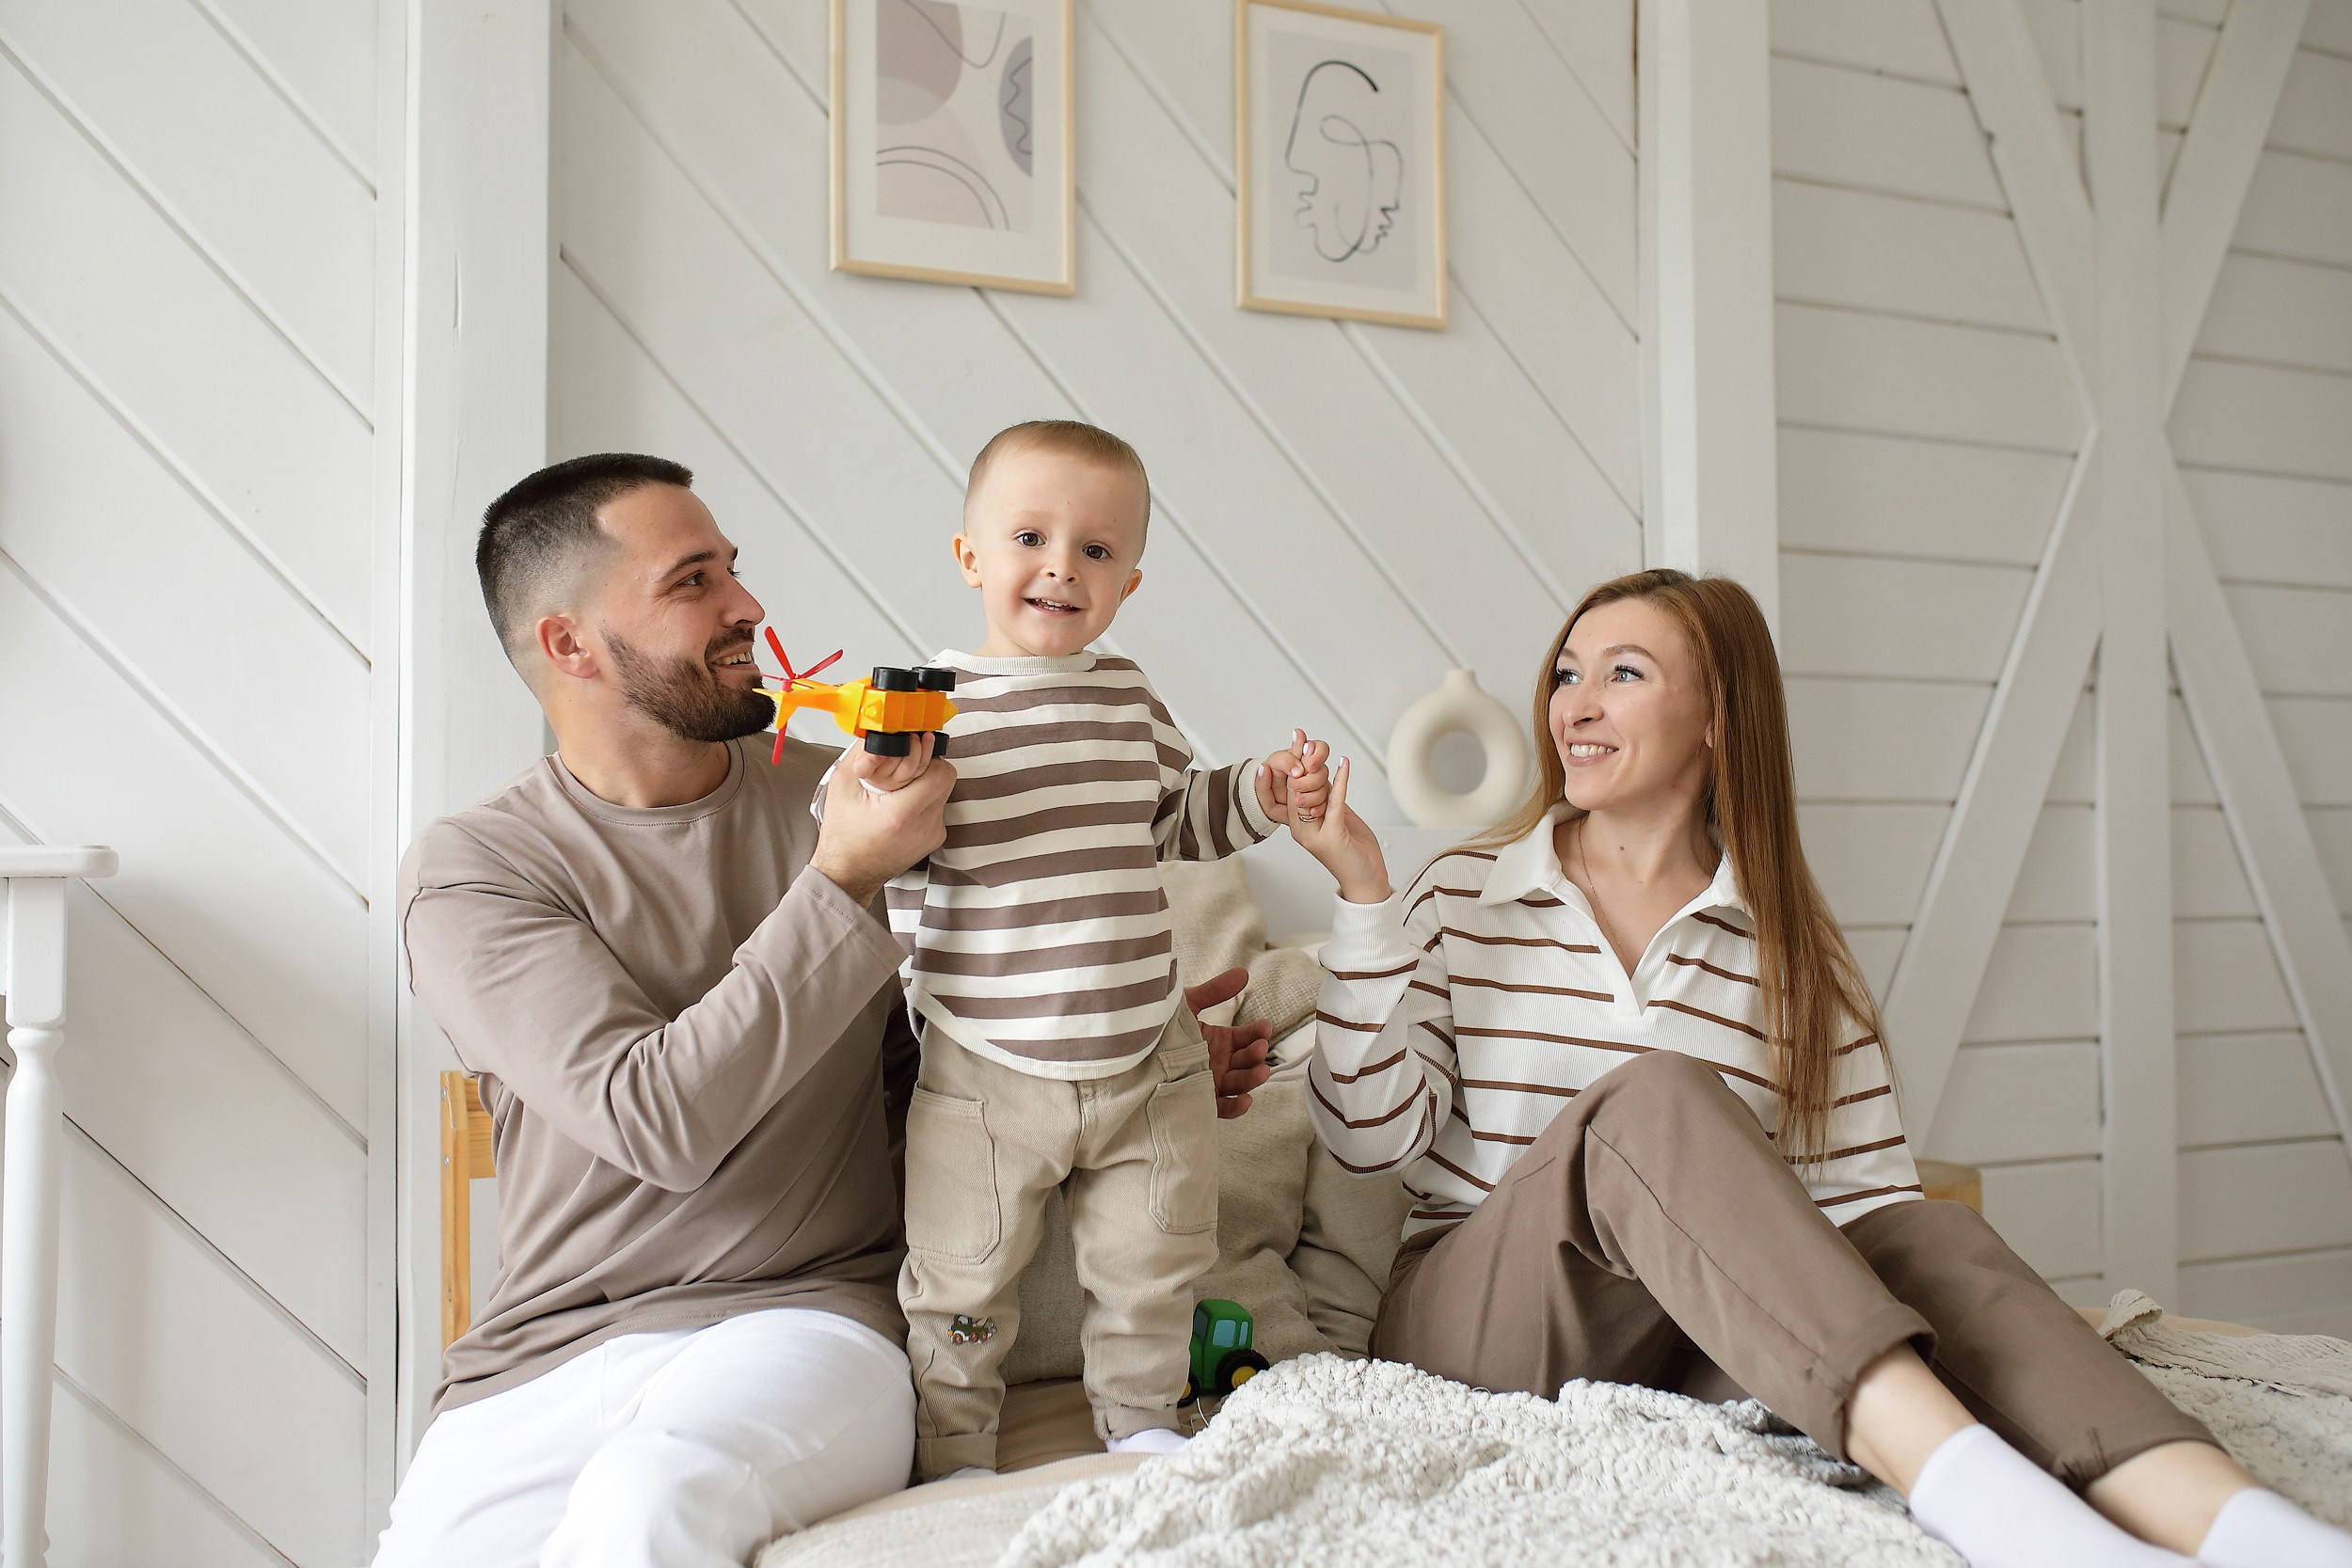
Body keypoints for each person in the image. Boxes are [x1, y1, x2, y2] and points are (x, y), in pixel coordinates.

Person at [1287, 568, 2351, 1568]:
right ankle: (1991, 1505)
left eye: (1622, 672)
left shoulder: (1791, 949)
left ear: (1715, 718)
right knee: (1654, 1097)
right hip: (1477, 1322)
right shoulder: (1462, 892)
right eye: (1567, 670)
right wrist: (1365, 900)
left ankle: (2243, 1523)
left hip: (1679, 1342)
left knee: (1924, 1230)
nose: (1574, 701)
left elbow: (1870, 1216)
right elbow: (1368, 1138)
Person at [372, 452, 1273, 1567]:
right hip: (542, 1357)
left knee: (650, 1505)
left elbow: (914, 1069)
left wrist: (1107, 1042)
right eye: (693, 580)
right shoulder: (477, 870)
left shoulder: (847, 788)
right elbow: (656, 1119)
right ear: (569, 644)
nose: (747, 604)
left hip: (800, 1323)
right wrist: (839, 880)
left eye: (734, 571)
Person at [867, 420, 1328, 1480]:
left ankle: (1143, 1419)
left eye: (1096, 550)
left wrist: (1259, 790)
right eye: (1029, 536)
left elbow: (1176, 817)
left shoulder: (1125, 695)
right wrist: (883, 781)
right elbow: (857, 830)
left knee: (1156, 1256)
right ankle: (953, 1441)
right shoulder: (930, 704)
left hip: (1146, 1053)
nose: (1060, 567)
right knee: (961, 1268)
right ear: (971, 557)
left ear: (1127, 580)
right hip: (988, 1059)